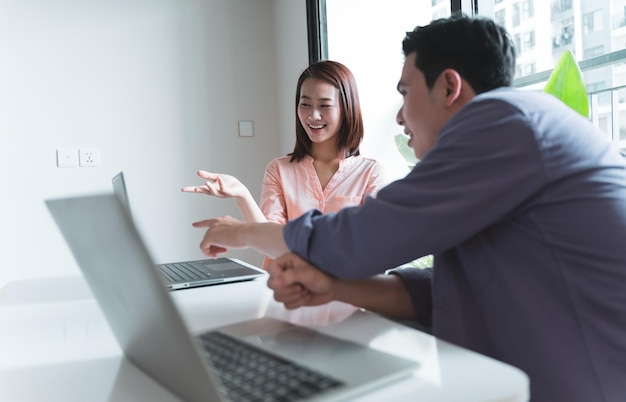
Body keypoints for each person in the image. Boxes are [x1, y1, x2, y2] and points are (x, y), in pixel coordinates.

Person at [191, 15, 626, 402]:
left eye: (405, 92)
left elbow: (361, 239)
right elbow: (446, 288)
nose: (400, 117)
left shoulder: (505, 124)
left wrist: (242, 231)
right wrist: (331, 286)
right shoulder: (512, 132)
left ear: (449, 86)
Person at [182, 60, 388, 265]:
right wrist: (242, 194)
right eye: (305, 104)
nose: (313, 115)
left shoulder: (371, 172)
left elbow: (368, 245)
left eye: (325, 105)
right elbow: (267, 241)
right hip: (283, 290)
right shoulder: (278, 169)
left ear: (347, 109)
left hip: (345, 293)